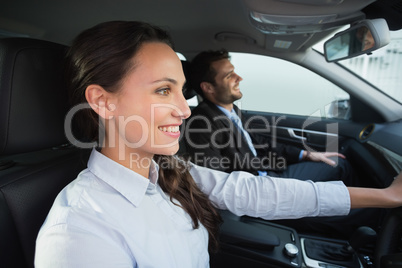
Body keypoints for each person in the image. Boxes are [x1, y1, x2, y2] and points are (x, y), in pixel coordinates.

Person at [34, 21, 402, 268]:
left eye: (182, 90)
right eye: (164, 90)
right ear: (102, 101)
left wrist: (385, 196)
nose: (183, 109)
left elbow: (258, 191)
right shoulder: (76, 234)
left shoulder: (171, 172)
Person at [184, 49, 354, 184]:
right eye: (229, 76)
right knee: (340, 168)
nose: (239, 78)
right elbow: (217, 181)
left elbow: (259, 143)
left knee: (335, 167)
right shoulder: (202, 124)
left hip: (267, 174)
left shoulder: (231, 110)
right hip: (259, 187)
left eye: (234, 72)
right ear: (208, 88)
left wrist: (306, 154)